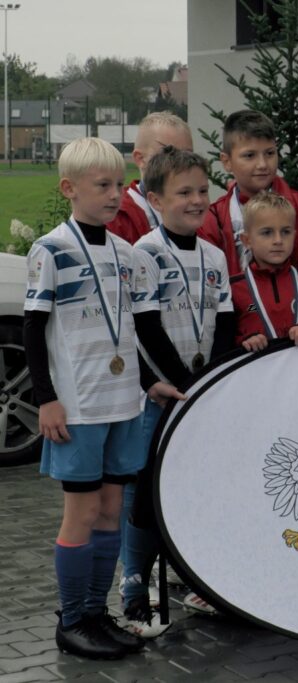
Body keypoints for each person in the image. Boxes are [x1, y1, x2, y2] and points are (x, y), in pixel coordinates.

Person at [24, 137, 184, 659]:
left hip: (123, 402)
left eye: (119, 184)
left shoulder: (127, 254)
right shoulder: (51, 250)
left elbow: (130, 331)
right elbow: (33, 331)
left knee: (112, 509)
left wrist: (147, 382)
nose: (115, 194)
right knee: (83, 512)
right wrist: (46, 399)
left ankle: (97, 613)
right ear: (69, 189)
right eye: (102, 186)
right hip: (78, 406)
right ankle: (71, 620)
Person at [125, 147, 236, 629]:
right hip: (164, 394)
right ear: (155, 199)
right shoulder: (145, 252)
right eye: (183, 192)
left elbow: (226, 320)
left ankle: (197, 580)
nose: (196, 201)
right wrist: (182, 381)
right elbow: (146, 326)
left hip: (200, 392)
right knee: (147, 493)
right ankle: (133, 586)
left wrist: (213, 377)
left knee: (195, 486)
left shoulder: (215, 254)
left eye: (202, 191)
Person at [199, 109, 298, 277]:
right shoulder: (214, 217)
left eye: (269, 153)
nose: (262, 164)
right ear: (227, 162)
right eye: (250, 155)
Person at [231, 190, 298, 351]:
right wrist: (244, 340)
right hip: (257, 366)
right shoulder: (233, 287)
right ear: (247, 240)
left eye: (285, 232)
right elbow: (225, 337)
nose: (278, 240)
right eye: (267, 232)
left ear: (294, 235)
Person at [108, 112, 194, 244]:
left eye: (188, 156)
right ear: (140, 158)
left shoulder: (196, 209)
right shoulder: (116, 215)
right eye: (169, 154)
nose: (181, 164)